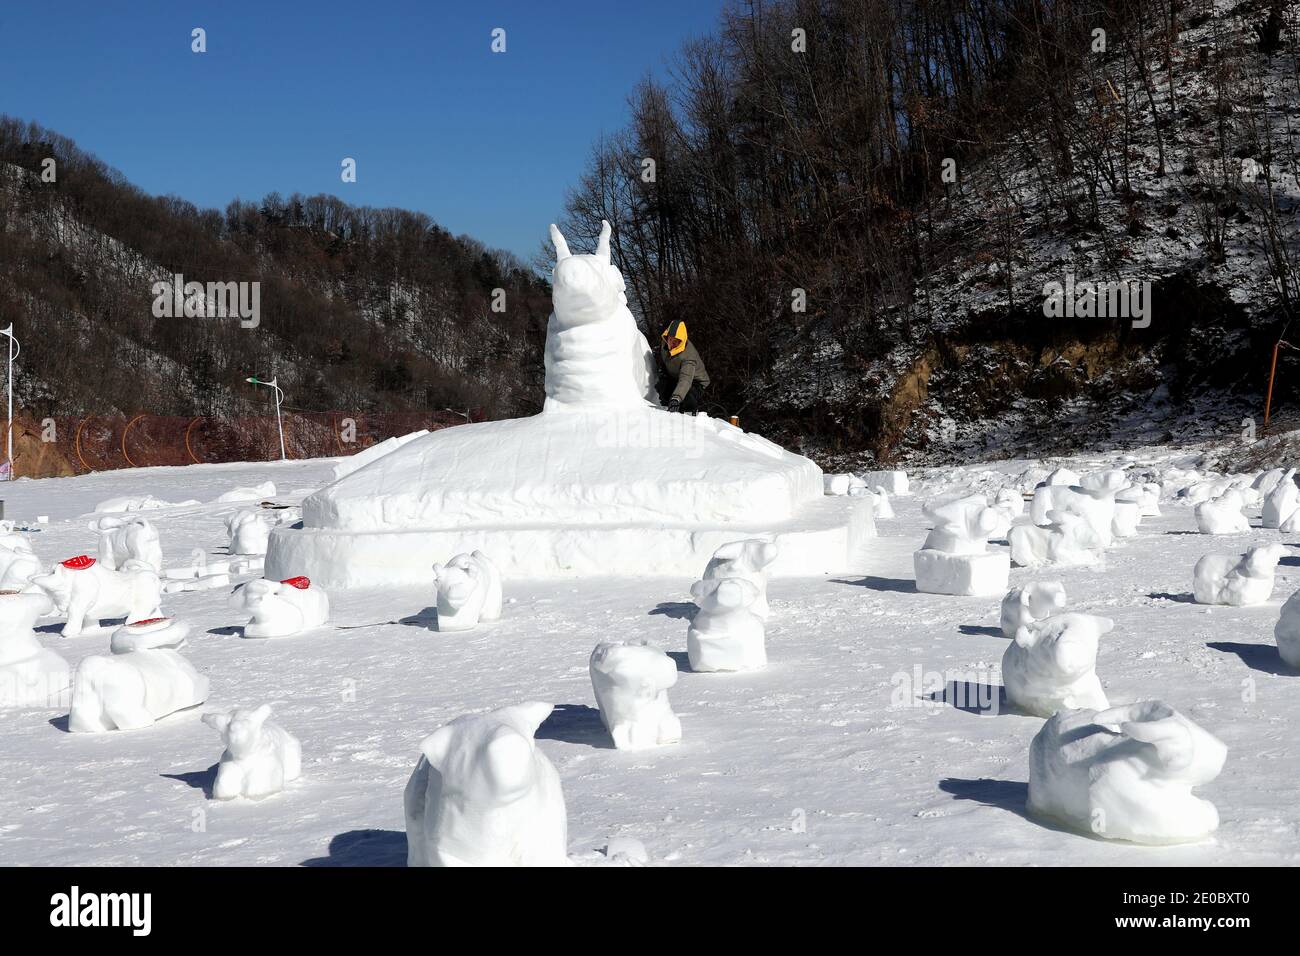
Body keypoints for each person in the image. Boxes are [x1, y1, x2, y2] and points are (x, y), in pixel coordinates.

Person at [657, 319, 710, 413]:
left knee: (687, 399)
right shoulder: (664, 345)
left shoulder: (688, 356)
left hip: (695, 381)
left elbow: (686, 379)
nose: (672, 344)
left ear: (681, 341)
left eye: (676, 341)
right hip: (676, 376)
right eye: (670, 340)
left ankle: (689, 416)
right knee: (662, 390)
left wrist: (676, 398)